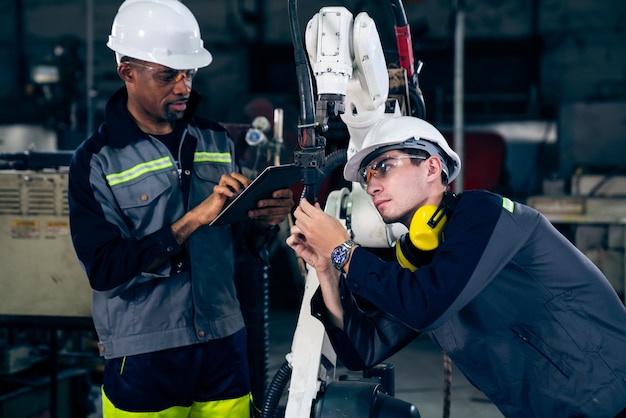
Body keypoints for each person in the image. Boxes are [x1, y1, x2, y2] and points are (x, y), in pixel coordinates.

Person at [286, 115, 626, 418]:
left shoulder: (486, 215)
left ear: (432, 168)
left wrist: (344, 251)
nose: (371, 185)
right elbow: (364, 348)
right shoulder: (423, 260)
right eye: (366, 177)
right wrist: (329, 270)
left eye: (384, 166)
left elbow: (427, 305)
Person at [68, 0, 294, 416]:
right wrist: (190, 221)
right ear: (127, 73)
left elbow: (239, 247)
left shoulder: (215, 140)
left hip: (223, 344)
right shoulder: (97, 160)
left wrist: (263, 222)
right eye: (168, 75)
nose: (183, 86)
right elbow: (104, 269)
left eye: (188, 73)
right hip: (145, 353)